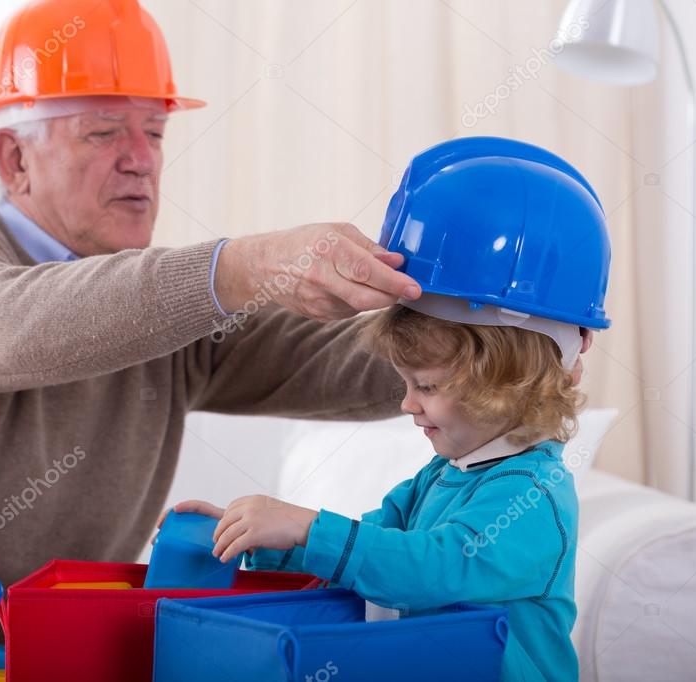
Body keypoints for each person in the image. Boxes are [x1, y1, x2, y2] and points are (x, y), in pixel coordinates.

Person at [0, 1, 475, 680]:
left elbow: (353, 364)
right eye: (103, 130)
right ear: (13, 161)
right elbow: (27, 326)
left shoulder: (171, 317)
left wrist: (494, 345)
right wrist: (238, 266)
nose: (141, 158)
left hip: (24, 669)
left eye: (153, 130)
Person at [166, 137, 611, 681]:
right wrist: (261, 541)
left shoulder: (533, 499)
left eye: (425, 385)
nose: (406, 404)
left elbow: (429, 569)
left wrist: (305, 526)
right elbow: (367, 557)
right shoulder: (441, 477)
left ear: (508, 380)